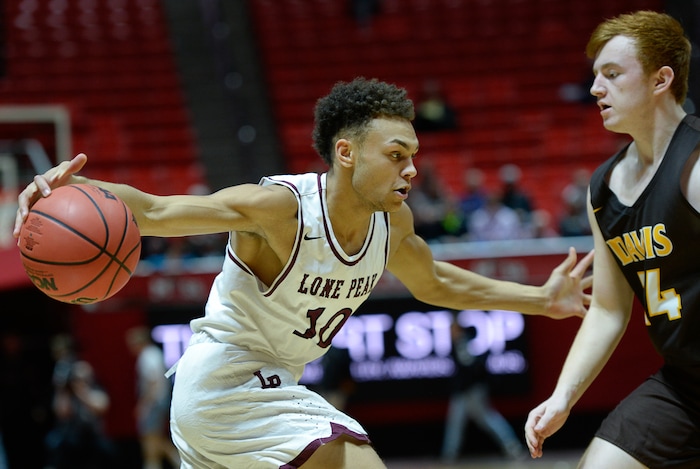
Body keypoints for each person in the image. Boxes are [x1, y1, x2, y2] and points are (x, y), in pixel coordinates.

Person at [14, 77, 593, 469]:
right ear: (346, 153)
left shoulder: (392, 224)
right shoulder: (282, 210)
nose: (412, 169)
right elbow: (156, 209)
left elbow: (436, 282)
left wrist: (541, 298)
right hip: (227, 387)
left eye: (414, 155)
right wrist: (69, 190)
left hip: (256, 394)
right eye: (396, 154)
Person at [524, 11, 700, 468]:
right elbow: (607, 307)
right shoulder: (602, 188)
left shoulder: (696, 165)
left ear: (661, 80)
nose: (595, 89)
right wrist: (563, 396)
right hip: (685, 385)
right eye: (595, 76)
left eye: (613, 74)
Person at [440, 320, 525, 463]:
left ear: (459, 330)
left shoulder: (464, 344)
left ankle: (513, 447)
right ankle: (449, 455)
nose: (450, 333)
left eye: (453, 329)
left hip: (472, 392)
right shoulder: (459, 344)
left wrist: (469, 386)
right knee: (456, 423)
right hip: (464, 392)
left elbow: (471, 368)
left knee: (489, 419)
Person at [126, 326, 181, 469]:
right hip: (159, 401)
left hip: (154, 403)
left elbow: (153, 382)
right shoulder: (154, 353)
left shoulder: (147, 355)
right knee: (155, 440)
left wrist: (144, 405)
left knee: (150, 439)